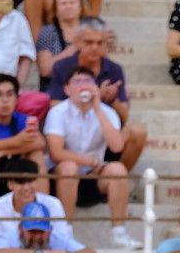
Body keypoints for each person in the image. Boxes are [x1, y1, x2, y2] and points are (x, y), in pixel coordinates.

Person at [45, 66, 132, 244]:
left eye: (88, 81)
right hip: (62, 177)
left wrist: (98, 108)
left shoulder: (107, 113)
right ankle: (65, 232)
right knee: (70, 167)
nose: (83, 86)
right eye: (77, 82)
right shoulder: (58, 112)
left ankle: (119, 232)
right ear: (67, 89)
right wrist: (88, 161)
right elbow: (56, 153)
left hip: (93, 177)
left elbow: (116, 146)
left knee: (117, 169)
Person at [44, 16, 144, 171]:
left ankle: (117, 178)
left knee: (138, 132)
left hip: (104, 130)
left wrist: (111, 100)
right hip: (71, 130)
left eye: (100, 43)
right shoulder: (62, 66)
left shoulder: (114, 69)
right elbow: (55, 105)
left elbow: (124, 116)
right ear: (77, 42)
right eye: (89, 42)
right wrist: (83, 97)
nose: (95, 48)